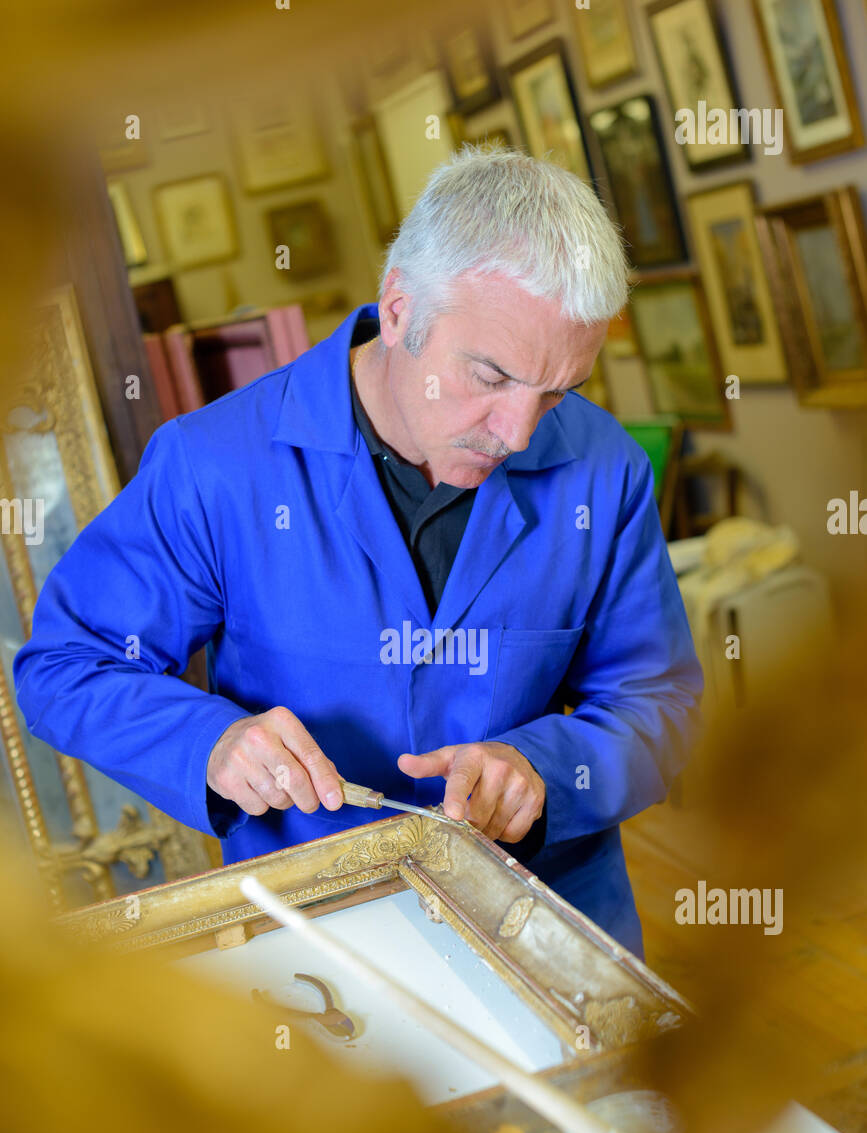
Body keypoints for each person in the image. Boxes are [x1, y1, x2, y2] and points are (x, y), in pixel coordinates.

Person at [14, 146, 702, 959]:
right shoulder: (215, 465)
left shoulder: (603, 467)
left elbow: (661, 706)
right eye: (488, 376)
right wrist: (210, 742)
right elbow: (66, 667)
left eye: (557, 391)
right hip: (323, 943)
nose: (518, 433)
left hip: (553, 927)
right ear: (401, 309)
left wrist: (541, 769)